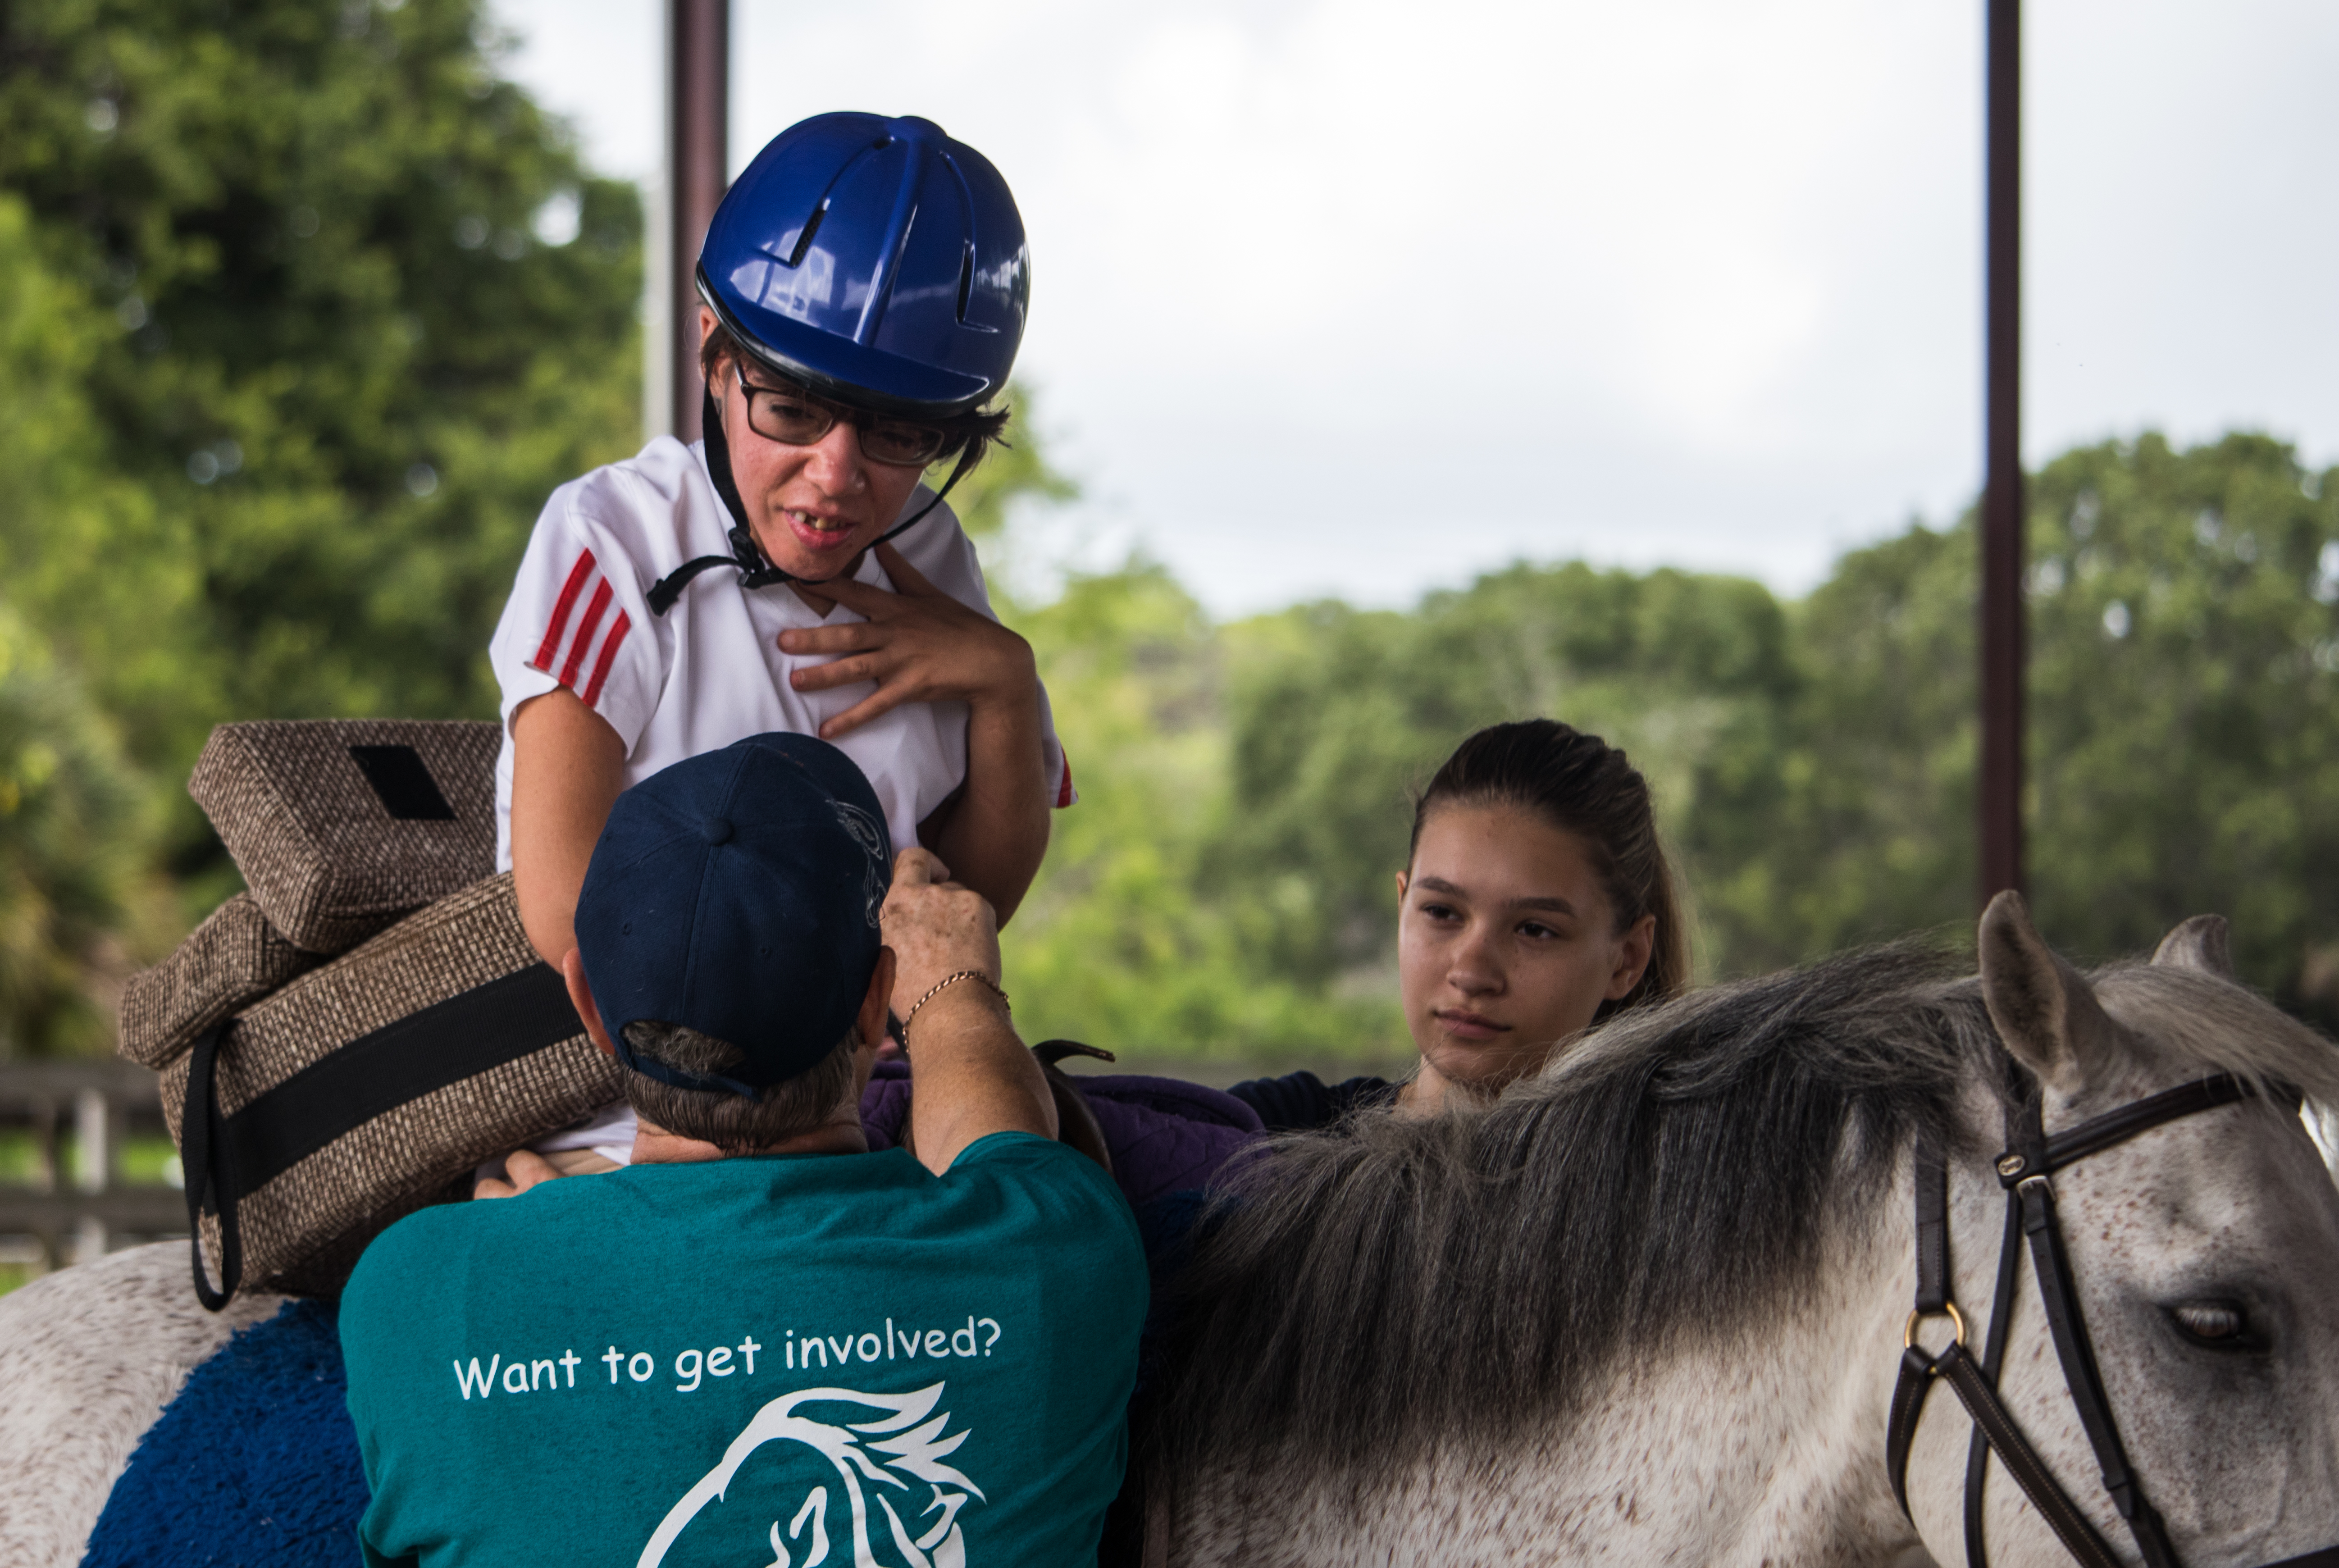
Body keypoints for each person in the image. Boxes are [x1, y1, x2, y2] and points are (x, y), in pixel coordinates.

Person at [340, 732, 1146, 1567]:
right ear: (876, 1004)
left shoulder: (415, 1290)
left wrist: (518, 1264)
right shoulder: (1065, 1248)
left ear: (589, 1005)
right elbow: (1003, 1148)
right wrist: (952, 987)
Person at [490, 111, 1072, 1171]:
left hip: (860, 1117)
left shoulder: (931, 555)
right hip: (642, 1125)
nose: (839, 475)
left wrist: (1003, 684)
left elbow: (960, 909)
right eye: (794, 410)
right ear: (714, 350)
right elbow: (562, 909)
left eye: (899, 432)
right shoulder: (613, 539)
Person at [1231, 719, 1687, 1130]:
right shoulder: (1254, 1139)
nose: (1470, 974)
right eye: (1441, 913)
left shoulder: (1678, 1198)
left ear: (1627, 960)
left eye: (1534, 930)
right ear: (1402, 903)